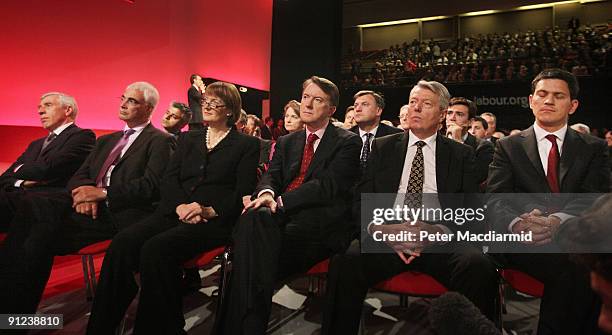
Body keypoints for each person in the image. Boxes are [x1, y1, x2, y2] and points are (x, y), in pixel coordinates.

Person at [322, 81, 498, 334]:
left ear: (442, 113)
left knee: (477, 265)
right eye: (413, 101)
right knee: (346, 259)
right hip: (389, 234)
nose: (415, 108)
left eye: (426, 104)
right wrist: (380, 229)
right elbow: (360, 198)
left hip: (439, 239)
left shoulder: (461, 155)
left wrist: (437, 230)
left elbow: (471, 209)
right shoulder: (382, 147)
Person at [86, 82, 260, 334]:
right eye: (205, 102)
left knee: (156, 249)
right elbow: (170, 179)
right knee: (124, 242)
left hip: (212, 219)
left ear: (230, 110)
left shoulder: (246, 145)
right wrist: (179, 205)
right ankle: (100, 326)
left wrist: (206, 210)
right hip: (174, 211)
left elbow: (242, 191)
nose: (207, 107)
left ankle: (156, 328)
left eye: (215, 103)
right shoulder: (189, 138)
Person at [0, 81, 176, 315]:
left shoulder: (160, 140)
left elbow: (151, 186)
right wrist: (85, 194)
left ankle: (12, 318)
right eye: (122, 98)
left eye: (132, 101)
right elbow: (80, 175)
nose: (123, 104)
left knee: (36, 233)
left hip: (118, 213)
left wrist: (103, 194)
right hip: (86, 209)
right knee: (34, 229)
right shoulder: (106, 140)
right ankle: (12, 315)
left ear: (149, 108)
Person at [222, 76, 362, 335]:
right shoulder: (288, 141)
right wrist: (265, 193)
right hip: (277, 218)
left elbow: (326, 186)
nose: (307, 104)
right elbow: (272, 175)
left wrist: (278, 201)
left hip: (317, 222)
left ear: (331, 110)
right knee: (255, 222)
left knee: (248, 256)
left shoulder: (348, 141)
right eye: (306, 97)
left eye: (317, 100)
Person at [487, 68, 610, 335]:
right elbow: (496, 199)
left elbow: (595, 197)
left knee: (582, 261)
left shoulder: (593, 147)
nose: (548, 101)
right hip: (521, 240)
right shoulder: (508, 146)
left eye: (558, 96)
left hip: (574, 235)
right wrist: (517, 224)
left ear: (573, 105)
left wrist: (557, 222)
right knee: (576, 266)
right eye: (541, 94)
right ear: (531, 101)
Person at [0, 92, 95, 231]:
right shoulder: (35, 144)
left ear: (68, 110)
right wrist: (23, 182)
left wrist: (19, 169)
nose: (40, 111)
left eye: (48, 105)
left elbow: (47, 169)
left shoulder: (82, 136)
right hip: (18, 198)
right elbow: (5, 178)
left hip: (47, 203)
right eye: (39, 107)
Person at [445, 97, 494, 186]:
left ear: (470, 122)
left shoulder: (484, 147)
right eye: (449, 113)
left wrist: (458, 142)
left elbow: (475, 178)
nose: (452, 118)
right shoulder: (435, 142)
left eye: (459, 114)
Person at [350, 90, 402, 170]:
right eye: (355, 105)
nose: (358, 109)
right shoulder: (345, 137)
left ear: (378, 111)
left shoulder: (396, 136)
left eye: (364, 104)